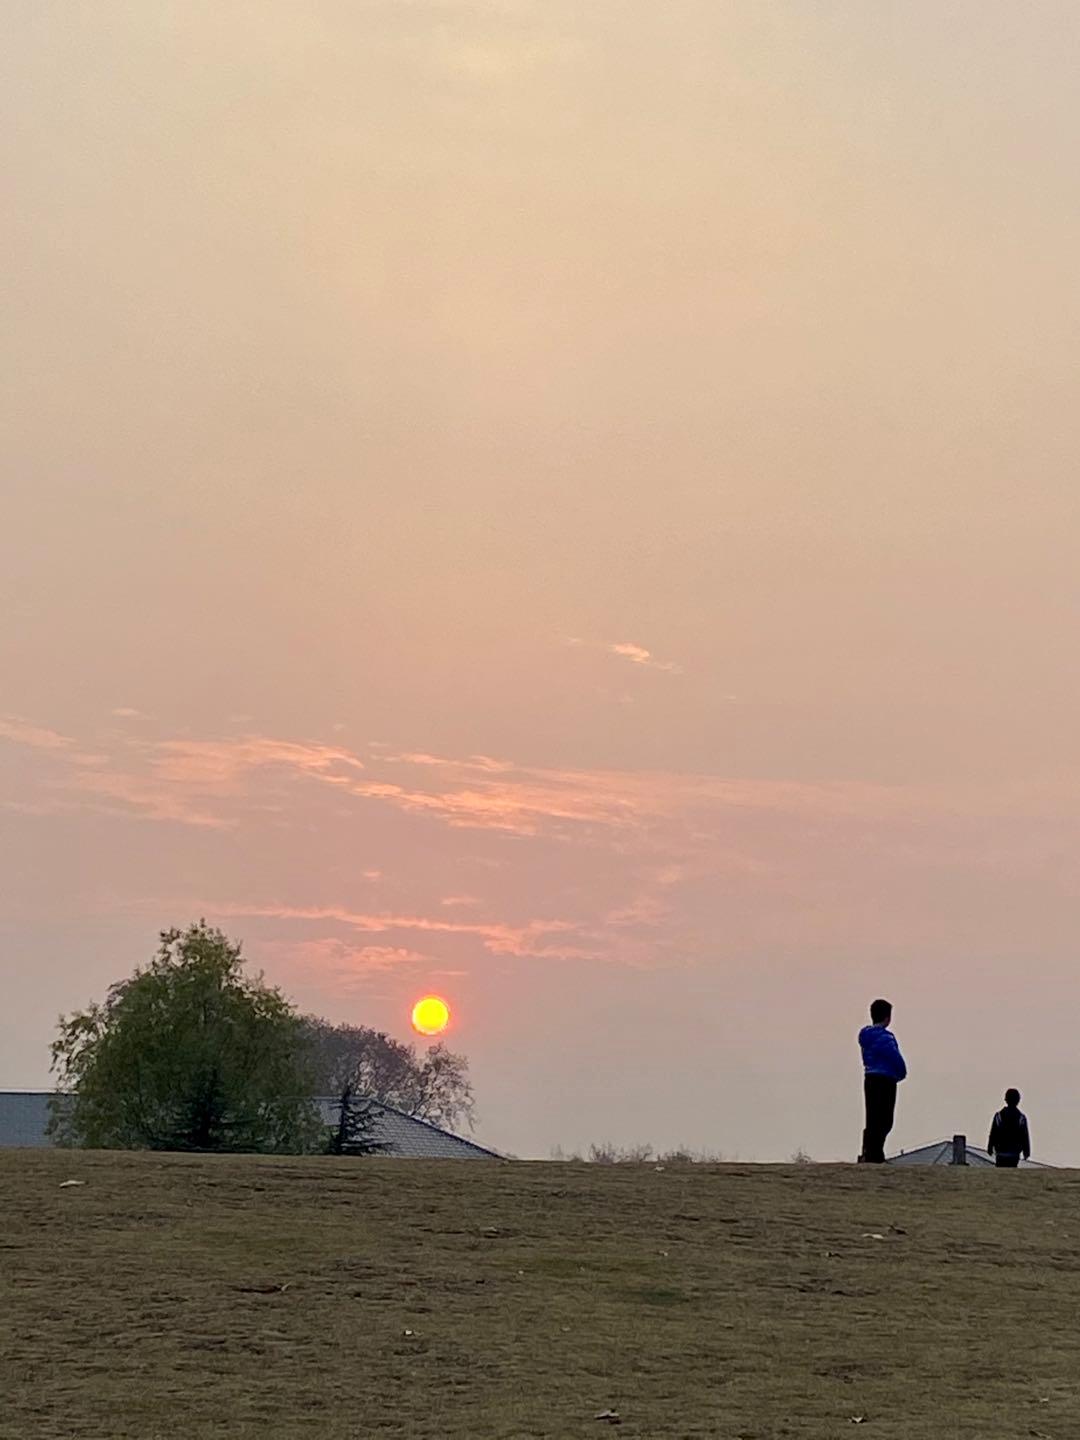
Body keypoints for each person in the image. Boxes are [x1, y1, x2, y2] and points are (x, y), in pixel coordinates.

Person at [858, 998, 907, 1163]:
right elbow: (895, 1058)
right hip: (885, 1079)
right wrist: (901, 1073)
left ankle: (869, 1151)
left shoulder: (865, 1036)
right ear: (887, 1017)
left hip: (870, 1077)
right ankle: (875, 1154)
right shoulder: (886, 1038)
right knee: (885, 1119)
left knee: (872, 1118)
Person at [987, 1089, 1031, 1168]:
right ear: (1018, 1100)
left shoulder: (998, 1116)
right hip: (1014, 1154)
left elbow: (993, 1134)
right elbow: (1025, 1136)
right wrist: (1026, 1152)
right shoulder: (1021, 1118)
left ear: (1006, 1099)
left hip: (1001, 1153)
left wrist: (990, 1147)